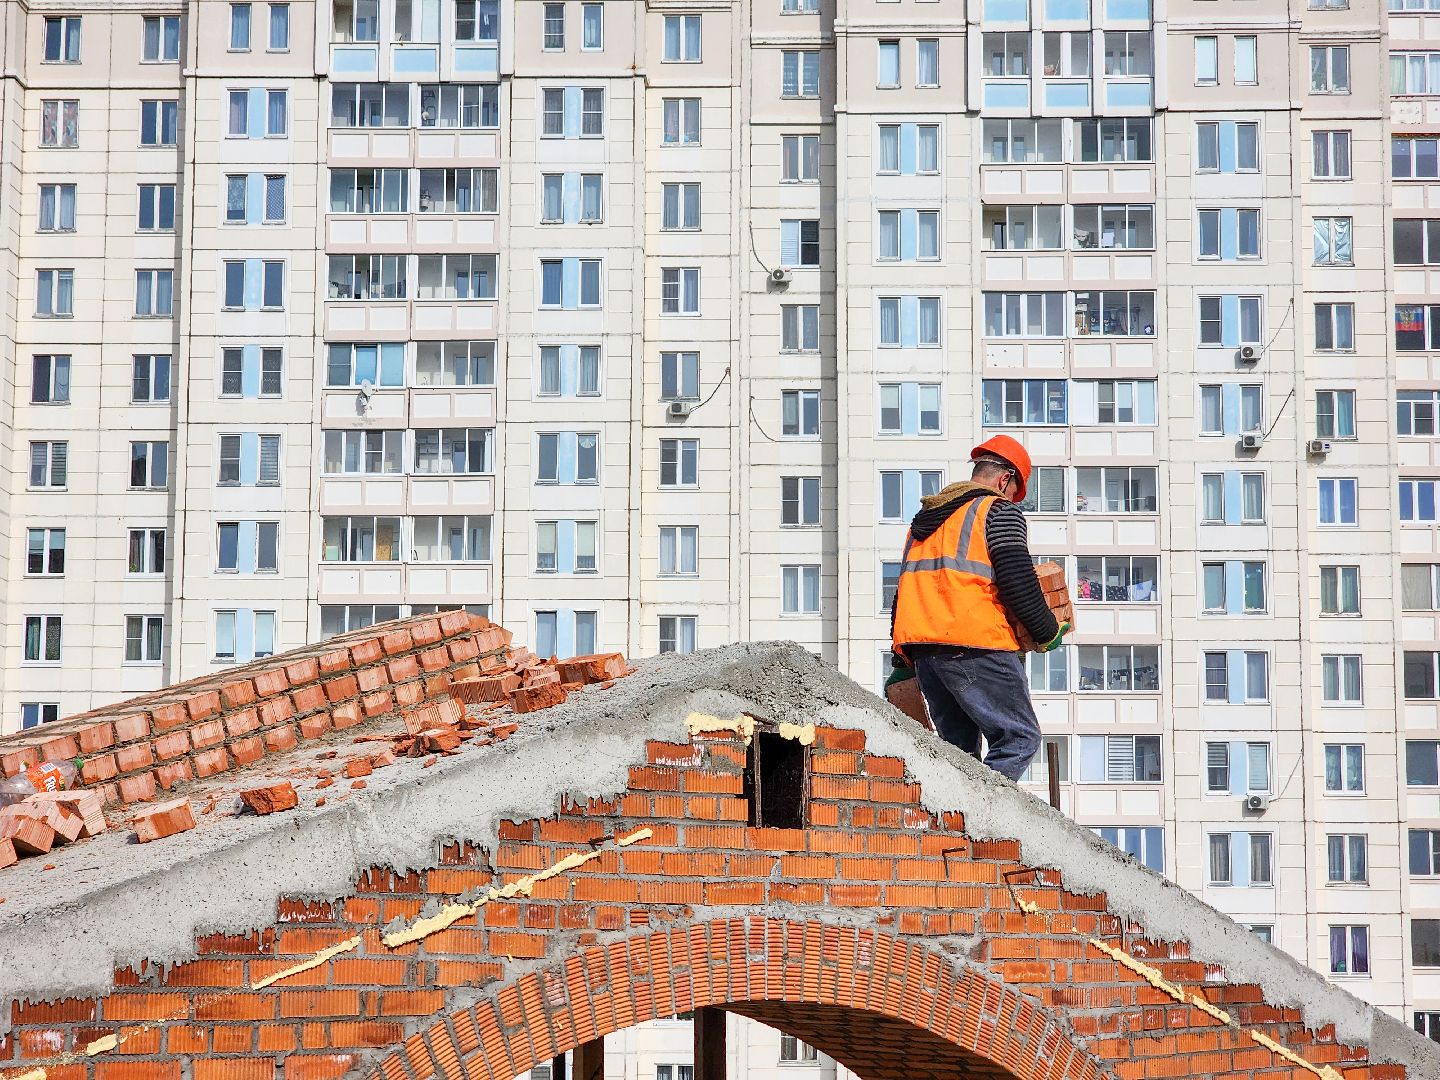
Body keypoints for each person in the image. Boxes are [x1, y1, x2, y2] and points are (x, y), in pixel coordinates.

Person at [886, 435, 1070, 781]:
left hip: (927, 656)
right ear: (1006, 479)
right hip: (976, 645)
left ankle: (954, 829)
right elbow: (1017, 579)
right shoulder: (996, 510)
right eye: (1014, 493)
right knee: (1018, 737)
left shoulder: (924, 522)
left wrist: (902, 659)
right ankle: (987, 818)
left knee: (959, 754)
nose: (1012, 500)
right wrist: (1046, 631)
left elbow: (905, 591)